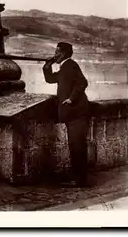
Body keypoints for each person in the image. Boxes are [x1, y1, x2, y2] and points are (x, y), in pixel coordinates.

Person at [43, 42, 91, 187]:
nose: (54, 54)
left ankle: (79, 180)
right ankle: (78, 178)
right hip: (74, 114)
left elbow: (83, 82)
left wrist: (71, 99)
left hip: (78, 113)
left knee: (77, 146)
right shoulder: (64, 68)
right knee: (75, 146)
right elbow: (50, 79)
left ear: (63, 53)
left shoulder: (70, 65)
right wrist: (47, 66)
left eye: (56, 52)